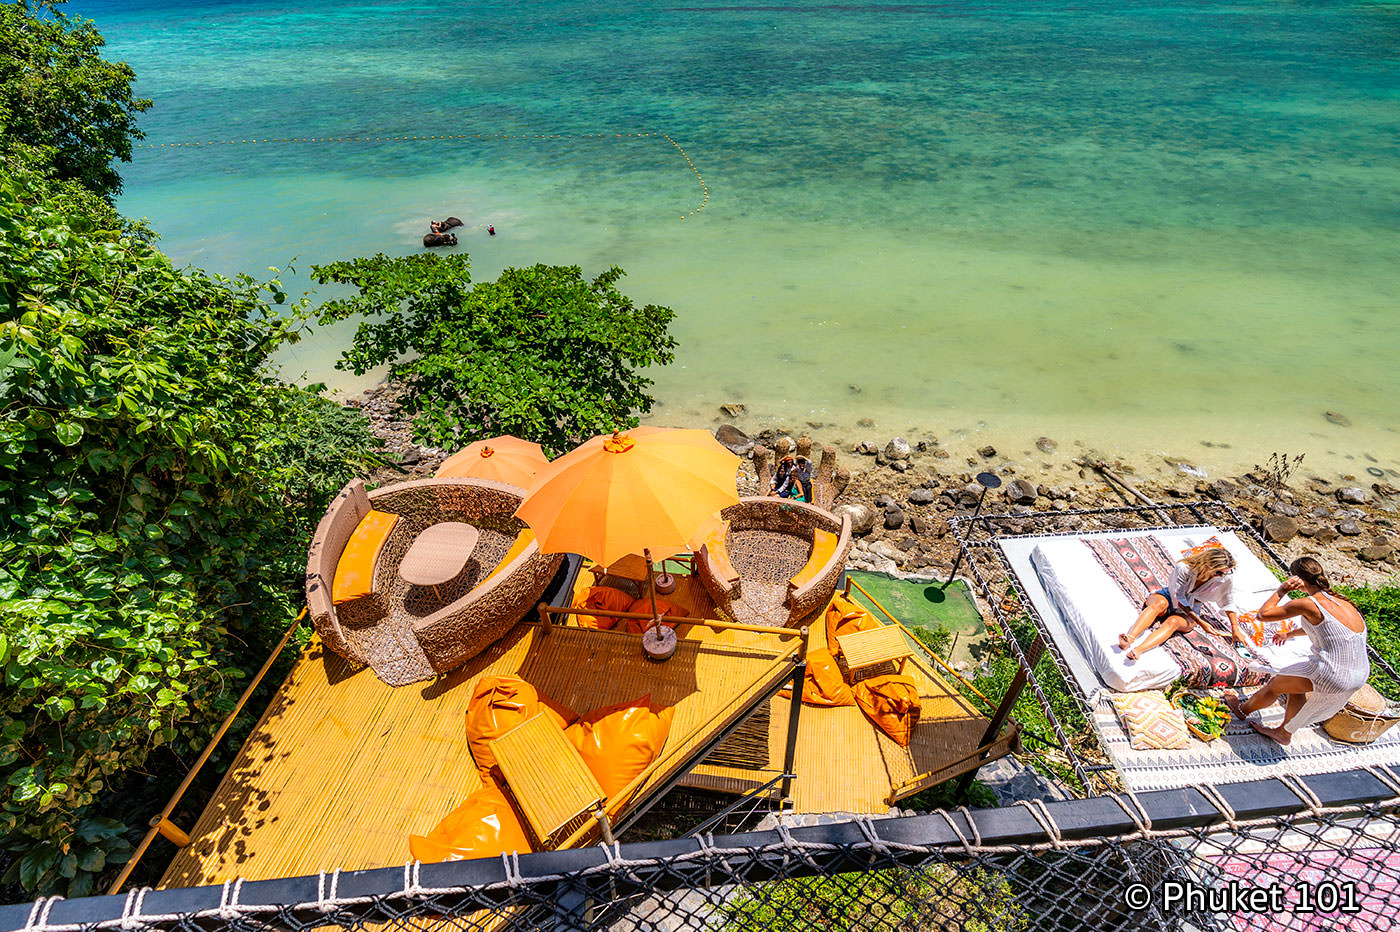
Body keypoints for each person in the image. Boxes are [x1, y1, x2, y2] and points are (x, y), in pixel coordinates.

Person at [1224, 557, 1369, 745]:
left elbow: (1263, 615)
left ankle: (1243, 709)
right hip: (1359, 673)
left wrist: (1282, 590)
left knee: (1276, 684)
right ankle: (1284, 732)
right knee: (1294, 687)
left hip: (1333, 672)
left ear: (1297, 579)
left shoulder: (1308, 603)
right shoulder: (1343, 602)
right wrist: (1289, 633)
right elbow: (1330, 630)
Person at [1118, 545, 1245, 660]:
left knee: (1173, 622)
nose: (1220, 576)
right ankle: (1129, 638)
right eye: (1218, 572)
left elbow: (1228, 600)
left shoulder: (1225, 578)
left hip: (1193, 607)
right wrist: (1201, 622)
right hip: (1169, 596)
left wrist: (1235, 629)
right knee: (1158, 605)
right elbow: (1177, 597)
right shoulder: (1184, 568)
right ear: (1207, 564)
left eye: (1225, 572)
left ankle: (1138, 650)